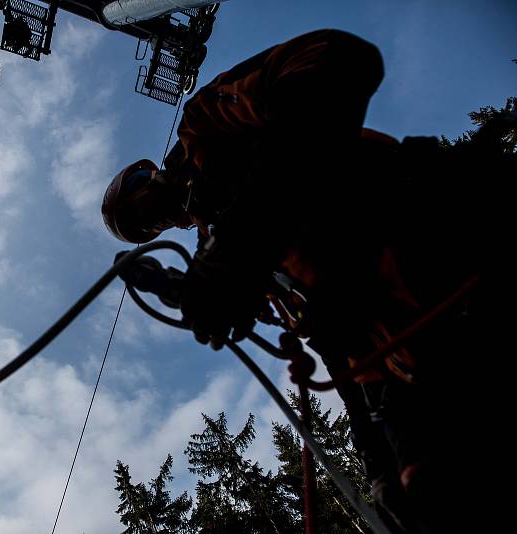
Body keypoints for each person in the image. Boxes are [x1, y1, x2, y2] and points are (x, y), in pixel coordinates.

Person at [102, 28, 512, 532]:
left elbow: (336, 58)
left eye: (139, 187)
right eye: (142, 225)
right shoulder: (227, 255)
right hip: (413, 361)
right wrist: (376, 461)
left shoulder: (204, 131)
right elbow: (331, 338)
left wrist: (240, 242)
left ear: (148, 169)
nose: (151, 211)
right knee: (425, 499)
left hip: (452, 246)